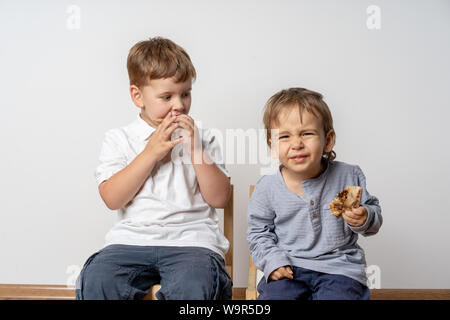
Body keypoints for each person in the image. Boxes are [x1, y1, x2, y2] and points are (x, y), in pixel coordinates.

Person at [76, 37, 232, 300]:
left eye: (185, 94)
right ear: (138, 96)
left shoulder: (202, 139)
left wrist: (196, 149)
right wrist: (150, 154)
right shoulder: (119, 139)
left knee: (198, 284)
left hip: (192, 242)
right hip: (130, 242)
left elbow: (219, 198)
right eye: (166, 96)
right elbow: (112, 199)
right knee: (98, 279)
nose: (179, 105)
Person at [247, 88, 382, 300]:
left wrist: (364, 216)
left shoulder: (347, 176)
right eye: (284, 136)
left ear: (328, 140)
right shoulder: (267, 188)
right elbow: (259, 234)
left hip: (340, 268)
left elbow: (373, 222)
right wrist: (273, 262)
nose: (296, 144)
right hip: (289, 267)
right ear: (272, 146)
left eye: (307, 133)